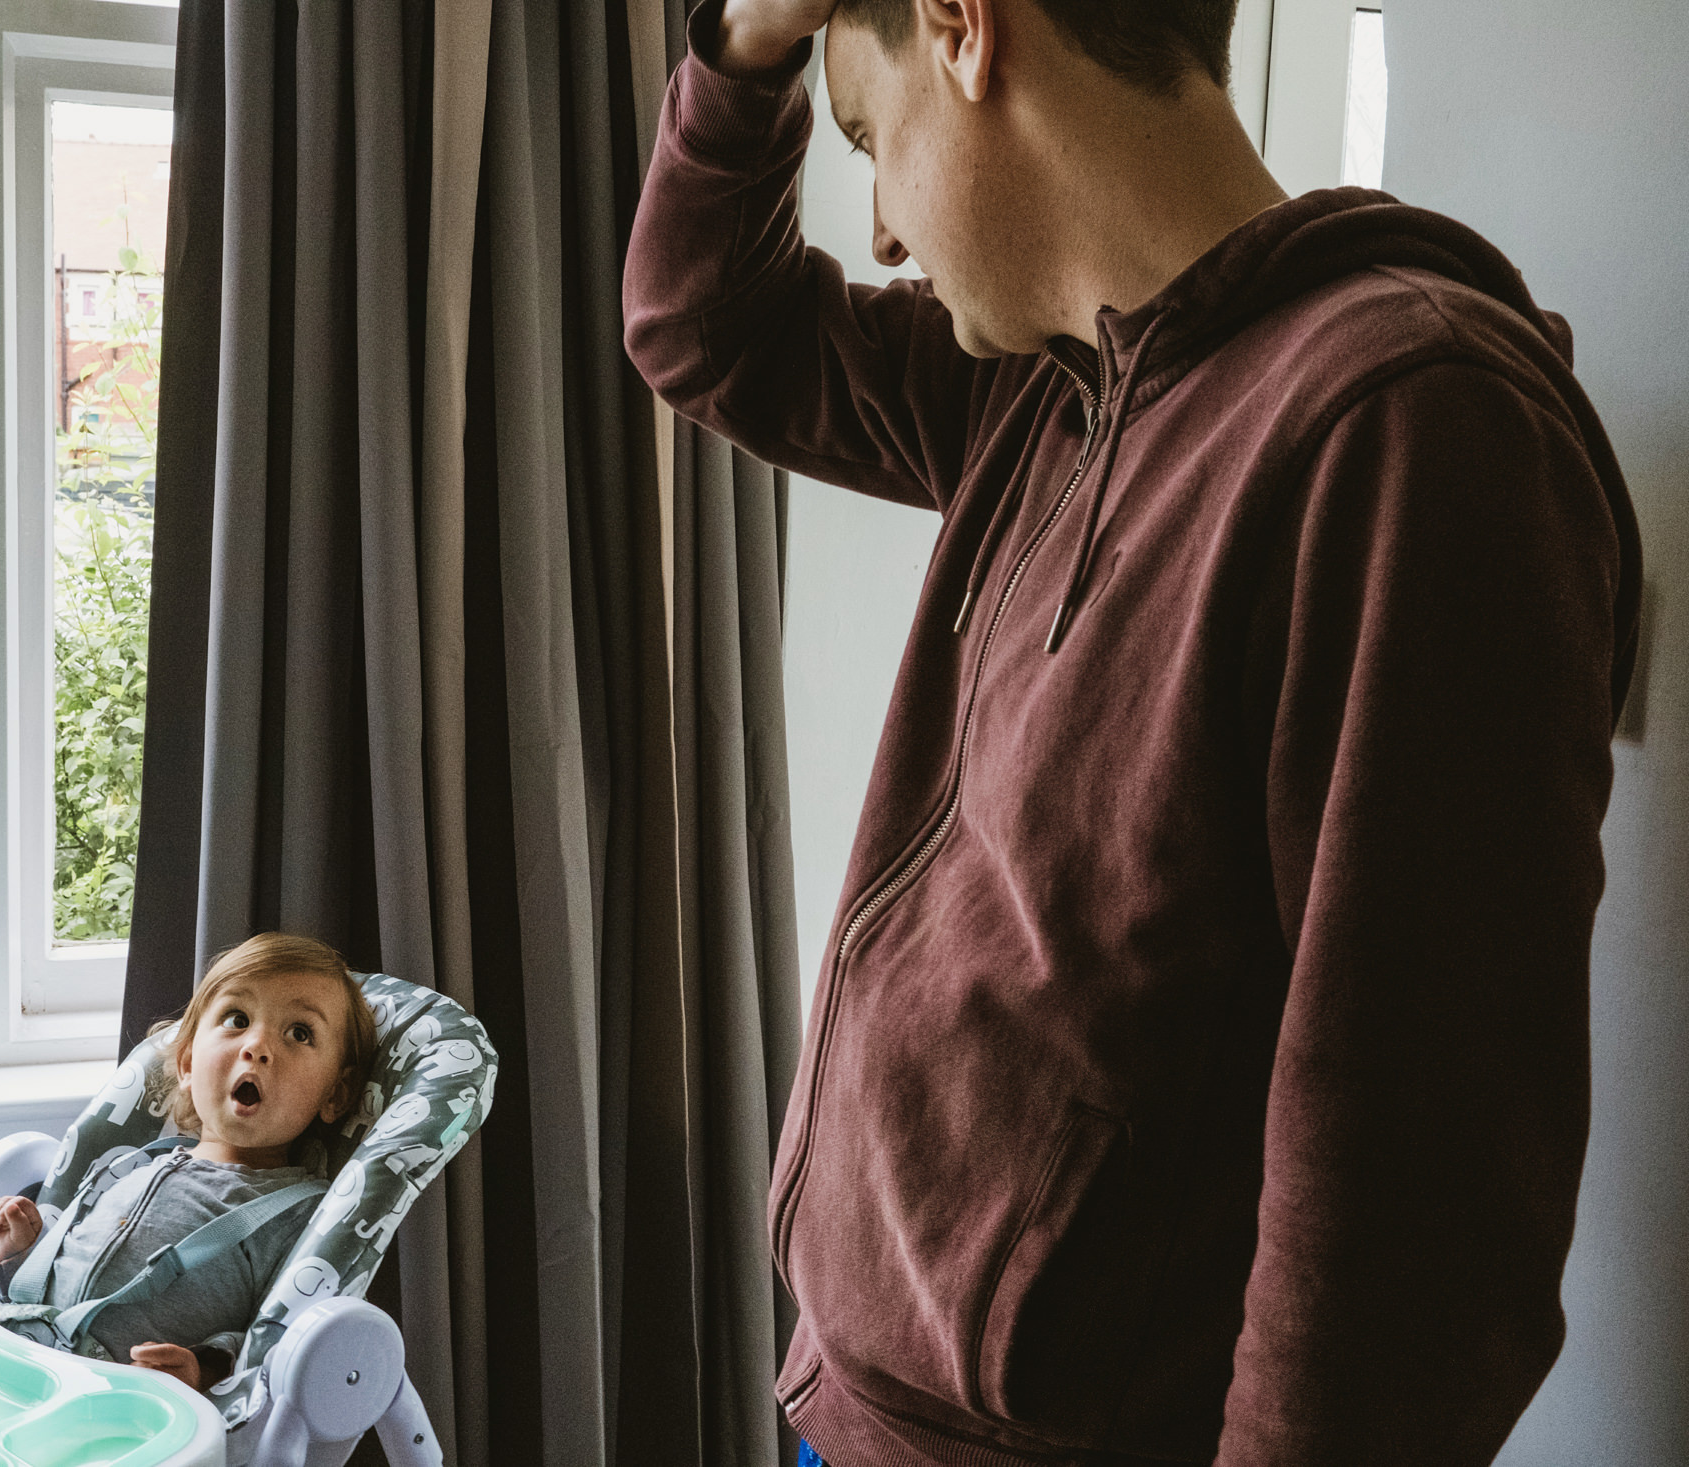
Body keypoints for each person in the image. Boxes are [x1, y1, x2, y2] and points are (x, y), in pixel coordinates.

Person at [624, 0, 1641, 1463]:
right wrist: (748, 44)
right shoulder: (1039, 393)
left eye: (867, 138)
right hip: (849, 1406)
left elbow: (1411, 1231)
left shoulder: (1412, 425)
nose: (888, 233)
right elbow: (700, 323)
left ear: (967, 31)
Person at [0, 932, 377, 1393]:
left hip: (116, 1401)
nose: (258, 1046)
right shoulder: (131, 1166)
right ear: (187, 1063)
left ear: (336, 1094)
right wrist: (17, 1258)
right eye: (237, 1019)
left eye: (300, 1033)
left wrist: (199, 1372)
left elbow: (269, 1344)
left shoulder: (297, 1215)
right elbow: (59, 1280)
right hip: (11, 1352)